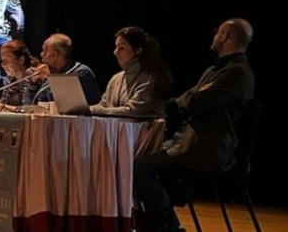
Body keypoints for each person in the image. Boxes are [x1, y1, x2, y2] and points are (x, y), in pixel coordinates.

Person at [133, 18, 255, 232]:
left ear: (226, 36)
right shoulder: (214, 69)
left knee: (142, 169)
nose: (215, 35)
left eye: (218, 32)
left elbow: (197, 102)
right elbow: (191, 97)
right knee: (141, 159)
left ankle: (165, 227)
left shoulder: (238, 72)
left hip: (208, 149)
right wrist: (193, 96)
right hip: (188, 142)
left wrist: (192, 97)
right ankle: (168, 225)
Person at [91, 26, 173, 118]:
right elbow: (103, 105)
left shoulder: (152, 78)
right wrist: (83, 109)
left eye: (121, 48)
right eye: (116, 47)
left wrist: (95, 110)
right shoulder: (116, 78)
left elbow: (134, 110)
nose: (115, 52)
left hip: (144, 132)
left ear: (138, 50)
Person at [27, 33, 100, 104]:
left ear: (54, 55)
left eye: (44, 52)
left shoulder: (80, 73)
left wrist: (50, 79)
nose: (41, 55)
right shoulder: (53, 72)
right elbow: (31, 105)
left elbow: (62, 105)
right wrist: (33, 84)